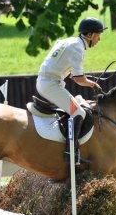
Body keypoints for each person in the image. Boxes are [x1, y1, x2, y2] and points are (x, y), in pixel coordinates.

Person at [36, 17, 105, 165]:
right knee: (78, 112)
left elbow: (74, 75)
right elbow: (79, 79)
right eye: (98, 35)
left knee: (77, 107)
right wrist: (92, 84)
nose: (99, 40)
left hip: (48, 81)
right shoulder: (78, 48)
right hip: (50, 84)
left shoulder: (71, 41)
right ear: (90, 35)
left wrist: (86, 79)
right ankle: (70, 154)